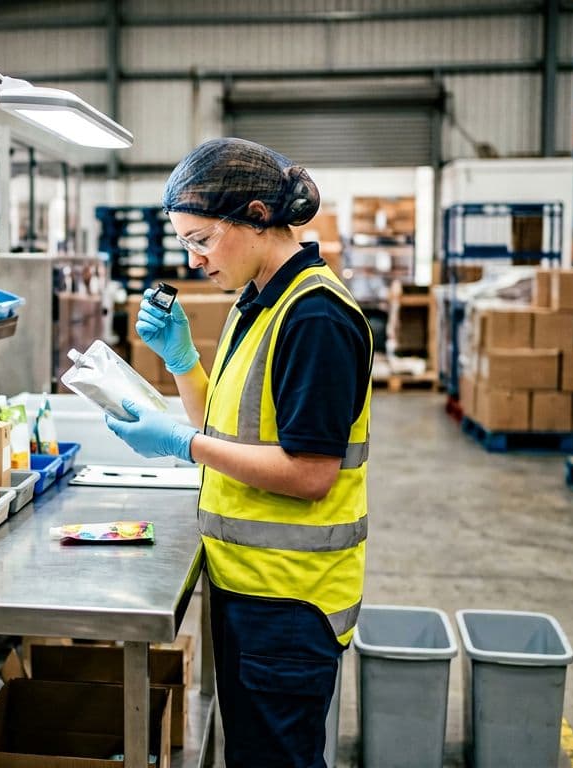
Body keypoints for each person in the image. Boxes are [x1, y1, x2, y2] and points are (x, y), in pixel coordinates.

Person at [104, 138, 371, 768]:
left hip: (289, 602)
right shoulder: (258, 301)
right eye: (185, 244)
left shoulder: (315, 318)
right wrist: (181, 362)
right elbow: (226, 428)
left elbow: (310, 474)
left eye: (200, 240)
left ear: (255, 216)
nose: (193, 260)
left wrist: (180, 444)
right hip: (245, 585)